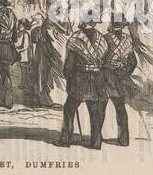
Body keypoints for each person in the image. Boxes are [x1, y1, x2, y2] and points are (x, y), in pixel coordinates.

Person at [57, 19, 107, 149]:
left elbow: (69, 65)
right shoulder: (102, 39)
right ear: (94, 23)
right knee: (96, 111)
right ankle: (96, 142)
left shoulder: (75, 39)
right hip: (97, 80)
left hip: (80, 80)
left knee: (69, 108)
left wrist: (68, 77)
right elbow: (105, 61)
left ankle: (66, 139)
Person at [102, 17, 137, 147]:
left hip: (106, 77)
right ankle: (124, 139)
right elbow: (133, 62)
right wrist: (125, 72)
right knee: (120, 108)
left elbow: (99, 59)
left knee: (100, 107)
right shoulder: (128, 40)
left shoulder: (105, 38)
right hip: (120, 77)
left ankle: (96, 139)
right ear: (122, 26)